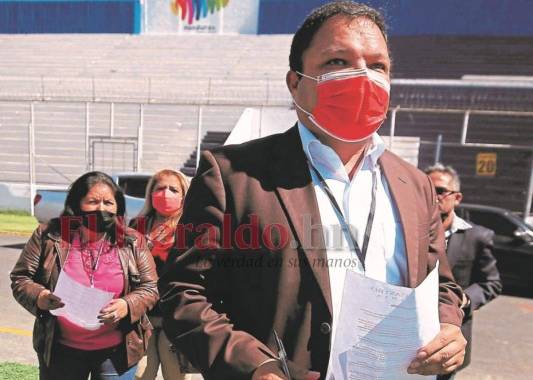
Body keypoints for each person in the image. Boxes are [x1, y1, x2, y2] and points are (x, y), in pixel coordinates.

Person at [159, 2, 467, 379]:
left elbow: (441, 285)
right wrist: (255, 367)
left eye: (377, 65)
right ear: (295, 82)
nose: (363, 77)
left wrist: (449, 326)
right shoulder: (231, 175)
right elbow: (184, 293)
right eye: (338, 62)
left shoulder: (415, 184)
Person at [11, 171, 159, 380]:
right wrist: (40, 297)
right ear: (77, 203)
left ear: (117, 207)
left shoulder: (133, 241)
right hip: (60, 350)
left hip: (117, 351)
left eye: (108, 202)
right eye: (92, 201)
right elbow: (21, 278)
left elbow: (150, 288)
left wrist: (127, 305)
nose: (101, 208)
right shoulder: (49, 235)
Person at [426, 164, 502, 380]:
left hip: (451, 333)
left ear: (457, 197)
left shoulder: (478, 236)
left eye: (440, 191)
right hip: (410, 332)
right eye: (427, 190)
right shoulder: (406, 232)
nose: (433, 196)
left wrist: (462, 300)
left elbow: (491, 283)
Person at [130, 169, 196, 380]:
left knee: (174, 375)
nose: (166, 193)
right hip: (141, 318)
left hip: (175, 318)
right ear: (150, 193)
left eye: (173, 189)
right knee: (140, 375)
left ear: (183, 195)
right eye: (160, 188)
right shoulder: (136, 226)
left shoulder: (191, 227)